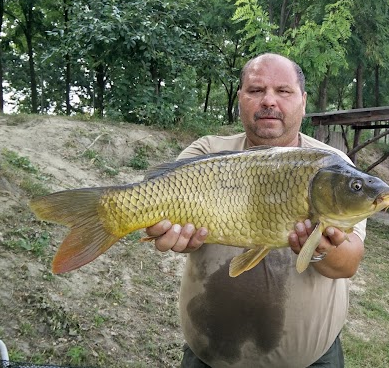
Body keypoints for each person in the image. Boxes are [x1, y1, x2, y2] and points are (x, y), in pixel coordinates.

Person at [145, 53, 366, 368]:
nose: (269, 101)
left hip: (310, 360)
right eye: (256, 90)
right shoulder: (206, 153)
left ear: (303, 101)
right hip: (208, 355)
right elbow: (168, 229)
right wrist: (172, 236)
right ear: (240, 99)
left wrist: (320, 249)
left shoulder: (333, 167)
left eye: (283, 91)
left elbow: (349, 263)